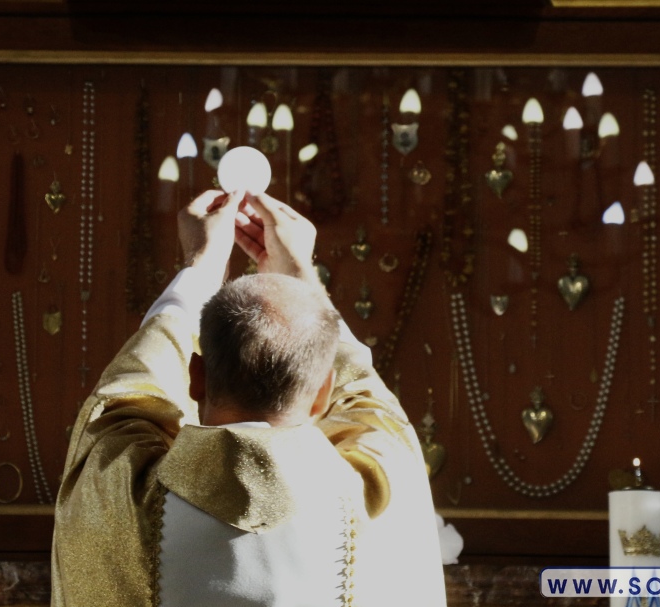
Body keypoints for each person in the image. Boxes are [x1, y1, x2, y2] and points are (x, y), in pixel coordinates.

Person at [51, 189, 447, 606]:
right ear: (323, 393)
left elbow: (123, 396)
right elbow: (368, 402)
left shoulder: (120, 488)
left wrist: (200, 265)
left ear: (195, 378)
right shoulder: (379, 489)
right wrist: (301, 273)